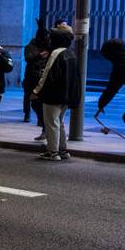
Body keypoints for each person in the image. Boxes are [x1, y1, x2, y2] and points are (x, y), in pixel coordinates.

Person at [31, 27, 79, 161]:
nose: (49, 39)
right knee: (60, 122)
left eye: (52, 37)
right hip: (66, 95)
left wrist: (36, 91)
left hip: (53, 94)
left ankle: (52, 151)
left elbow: (47, 74)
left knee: (51, 123)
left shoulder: (56, 53)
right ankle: (63, 150)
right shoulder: (70, 53)